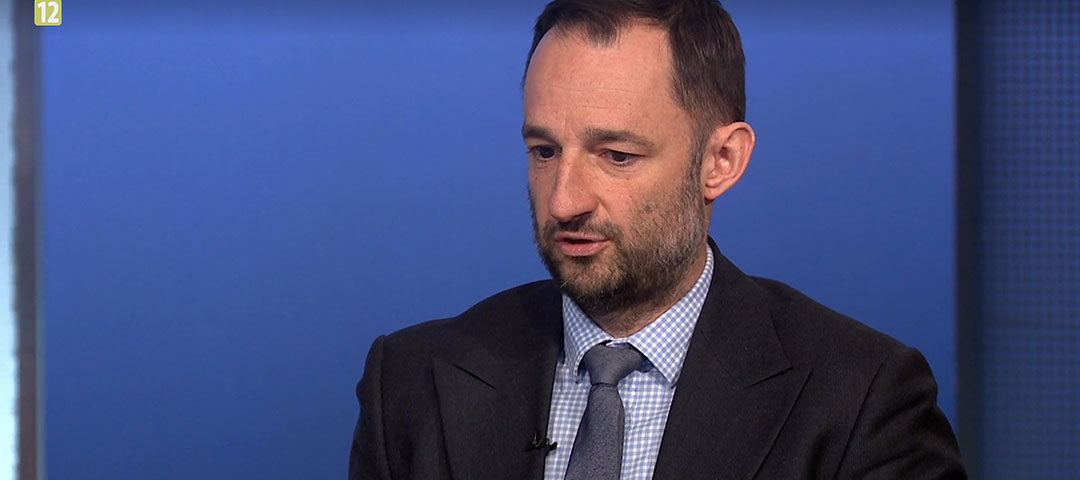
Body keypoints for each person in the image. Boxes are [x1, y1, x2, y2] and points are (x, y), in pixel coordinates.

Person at [348, 1, 966, 479]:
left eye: (616, 155)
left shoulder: (862, 401)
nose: (564, 201)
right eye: (544, 151)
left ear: (721, 161)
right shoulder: (410, 383)